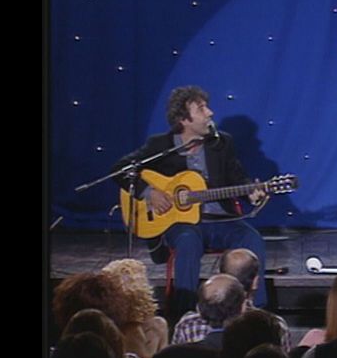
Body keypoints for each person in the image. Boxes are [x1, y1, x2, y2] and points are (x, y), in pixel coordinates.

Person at [112, 86, 267, 320]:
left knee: (252, 238)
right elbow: (119, 170)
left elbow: (238, 178)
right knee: (187, 241)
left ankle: (256, 311)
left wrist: (251, 192)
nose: (210, 113)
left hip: (220, 220)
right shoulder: (161, 145)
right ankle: (184, 315)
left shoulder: (221, 143)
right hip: (181, 224)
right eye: (201, 109)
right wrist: (149, 192)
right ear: (183, 119)